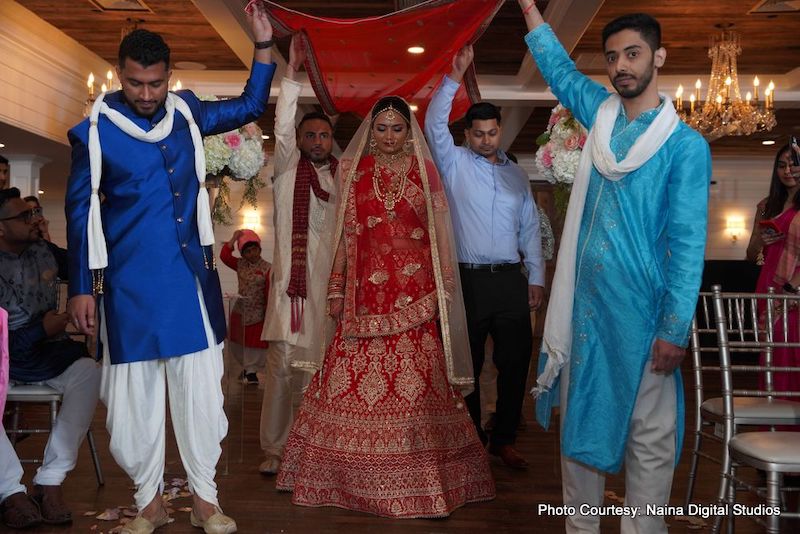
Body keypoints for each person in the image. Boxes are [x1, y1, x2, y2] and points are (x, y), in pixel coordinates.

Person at [65, 4, 275, 532]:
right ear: (119, 75)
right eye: (135, 83)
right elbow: (79, 210)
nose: (145, 94)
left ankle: (206, 501)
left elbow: (251, 103)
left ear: (169, 77)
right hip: (129, 284)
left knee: (200, 388)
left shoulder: (187, 112)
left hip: (187, 280)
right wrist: (80, 289)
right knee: (133, 398)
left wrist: (264, 45)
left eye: (155, 83)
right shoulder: (93, 131)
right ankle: (149, 503)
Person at [519, 2, 711, 533]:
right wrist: (530, 9)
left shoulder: (684, 148)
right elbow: (558, 70)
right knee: (578, 431)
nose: (621, 65)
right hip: (585, 314)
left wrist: (674, 328)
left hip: (646, 319)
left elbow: (689, 244)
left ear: (659, 57)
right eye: (612, 57)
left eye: (633, 53)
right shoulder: (600, 116)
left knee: (647, 443)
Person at [276, 96, 495, 518]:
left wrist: (445, 286)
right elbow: (342, 233)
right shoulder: (351, 170)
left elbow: (440, 231)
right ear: (370, 131)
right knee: (344, 388)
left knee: (418, 395)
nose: (390, 137)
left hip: (416, 296)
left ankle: (425, 485)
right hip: (362, 300)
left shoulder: (424, 170)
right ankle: (344, 481)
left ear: (408, 131)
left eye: (398, 128)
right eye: (382, 128)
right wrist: (336, 287)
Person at [425, 46, 545, 470]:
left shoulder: (516, 173)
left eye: (492, 133)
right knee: (469, 365)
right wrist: (454, 75)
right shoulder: (453, 162)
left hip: (511, 281)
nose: (486, 140)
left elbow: (529, 227)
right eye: (478, 133)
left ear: (500, 132)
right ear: (467, 135)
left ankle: (504, 439)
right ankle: (472, 439)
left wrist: (536, 278)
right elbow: (433, 123)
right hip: (468, 281)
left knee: (515, 364)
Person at [258, 35, 337, 476]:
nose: (318, 141)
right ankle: (274, 450)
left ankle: (308, 447)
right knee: (281, 373)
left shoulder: (341, 180)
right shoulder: (288, 168)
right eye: (312, 135)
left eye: (325, 135)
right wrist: (292, 73)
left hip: (326, 293)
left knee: (315, 374)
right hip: (289, 291)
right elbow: (282, 124)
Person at [0, 187, 100, 529]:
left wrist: (48, 238)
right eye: (24, 216)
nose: (33, 219)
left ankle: (50, 481)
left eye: (33, 213)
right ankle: (10, 491)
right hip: (6, 357)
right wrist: (42, 328)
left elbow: (79, 270)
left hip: (47, 353)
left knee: (89, 372)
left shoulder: (41, 249)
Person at [746, 143, 800, 398]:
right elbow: (749, 254)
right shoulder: (767, 205)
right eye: (781, 165)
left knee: (791, 350)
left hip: (794, 287)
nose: (787, 170)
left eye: (793, 163)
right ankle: (773, 425)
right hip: (768, 283)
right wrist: (761, 240)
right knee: (772, 353)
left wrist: (790, 290)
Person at [220, 229, 270, 385]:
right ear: (243, 254)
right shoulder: (240, 265)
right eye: (247, 252)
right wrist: (234, 237)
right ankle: (248, 369)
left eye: (254, 249)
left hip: (258, 314)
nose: (251, 254)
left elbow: (270, 291)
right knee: (239, 344)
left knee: (254, 346)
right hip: (240, 312)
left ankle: (251, 371)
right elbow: (224, 256)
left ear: (260, 249)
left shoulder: (268, 268)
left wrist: (269, 314)